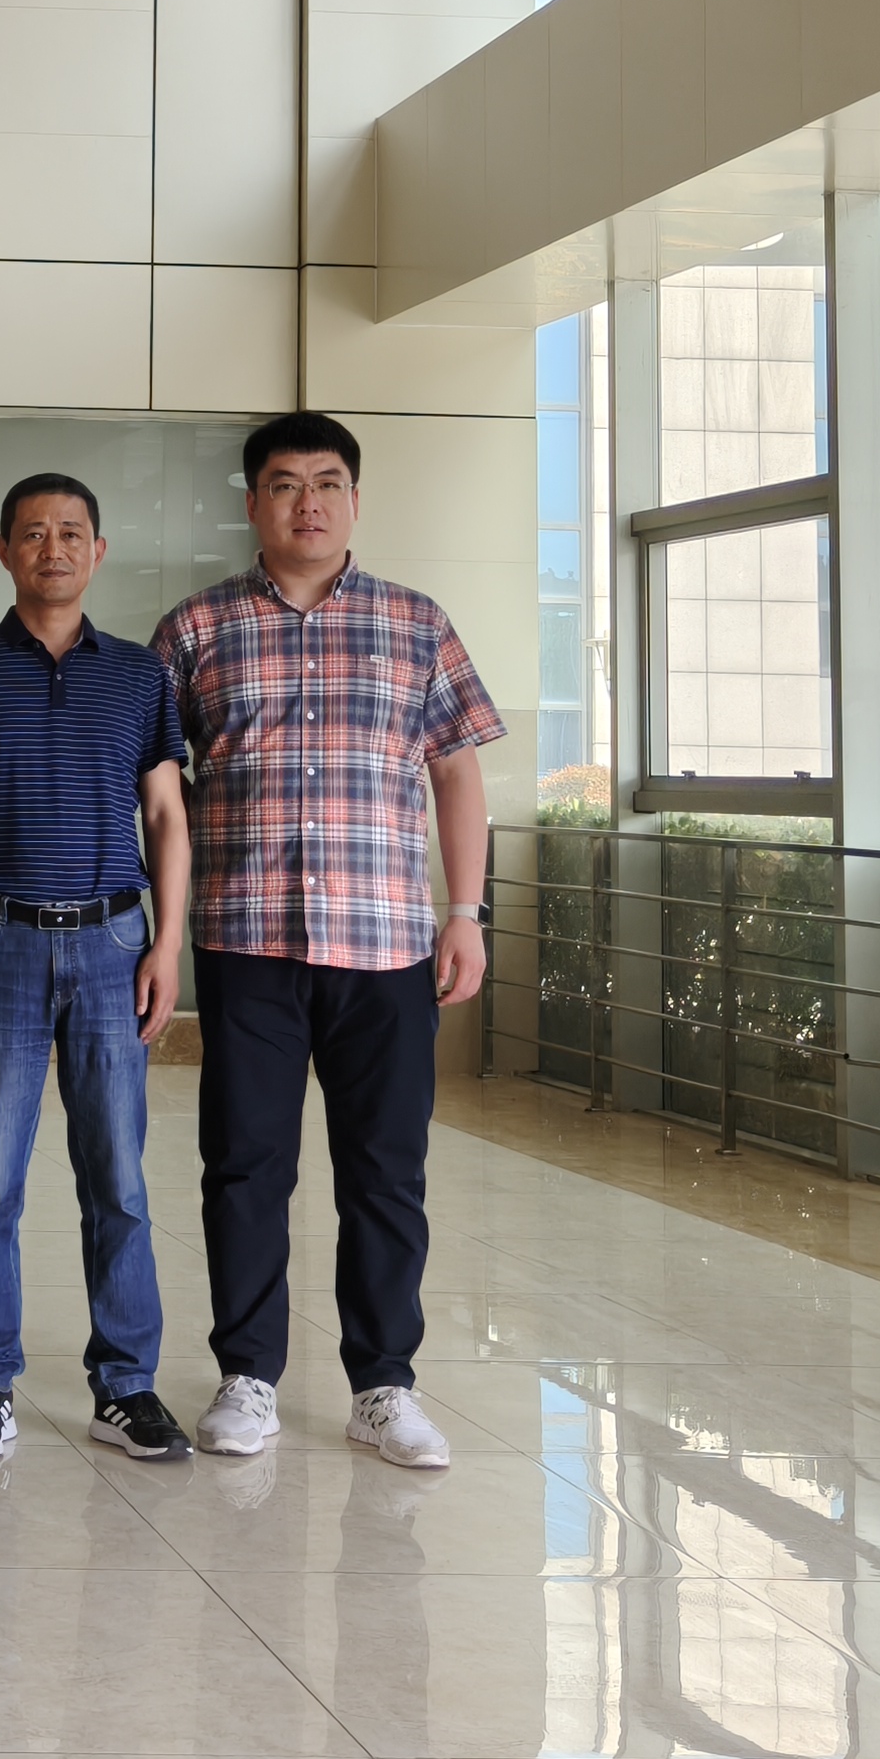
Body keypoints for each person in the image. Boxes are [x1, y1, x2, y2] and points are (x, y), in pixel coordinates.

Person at [151, 409, 503, 1472]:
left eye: (328, 483)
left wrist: (465, 913)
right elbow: (155, 788)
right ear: (252, 501)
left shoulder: (416, 623)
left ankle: (383, 1387)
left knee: (385, 1175)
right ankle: (247, 1378)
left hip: (385, 945)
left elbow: (457, 772)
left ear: (354, 498)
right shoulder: (195, 629)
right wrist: (159, 929)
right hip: (246, 939)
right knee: (243, 1169)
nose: (308, 503)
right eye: (285, 484)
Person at [0, 474, 195, 1462]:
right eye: (33, 533)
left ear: (98, 551)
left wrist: (166, 943)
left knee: (117, 1180)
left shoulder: (140, 676)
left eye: (72, 533)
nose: (54, 549)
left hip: (114, 947)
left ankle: (127, 1386)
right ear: (3, 550)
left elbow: (166, 815)